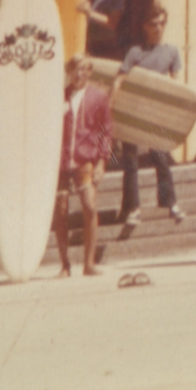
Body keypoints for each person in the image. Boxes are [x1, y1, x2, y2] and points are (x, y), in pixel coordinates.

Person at [114, 1, 186, 226]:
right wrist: (111, 109)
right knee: (131, 162)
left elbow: (176, 86)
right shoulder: (135, 52)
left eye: (162, 24)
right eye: (154, 24)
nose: (158, 28)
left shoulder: (171, 52)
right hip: (133, 110)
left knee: (160, 157)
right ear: (145, 26)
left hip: (155, 113)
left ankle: (170, 202)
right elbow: (119, 79)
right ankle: (132, 208)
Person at [55, 54, 112, 277]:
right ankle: (65, 264)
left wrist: (102, 162)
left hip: (84, 159)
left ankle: (88, 263)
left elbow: (105, 131)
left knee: (89, 206)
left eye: (83, 69)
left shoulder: (98, 97)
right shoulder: (60, 95)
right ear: (69, 72)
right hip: (60, 162)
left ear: (89, 71)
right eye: (74, 69)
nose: (78, 74)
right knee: (60, 212)